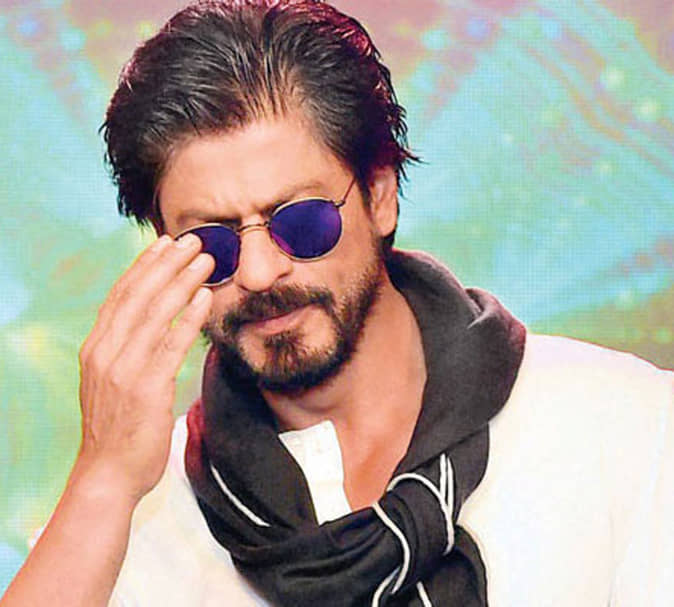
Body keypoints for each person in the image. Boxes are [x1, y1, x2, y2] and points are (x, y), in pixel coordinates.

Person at [2, 1, 672, 605]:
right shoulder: (140, 516)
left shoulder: (618, 425)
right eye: (214, 242)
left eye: (301, 221)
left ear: (380, 196)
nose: (260, 272)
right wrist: (104, 477)